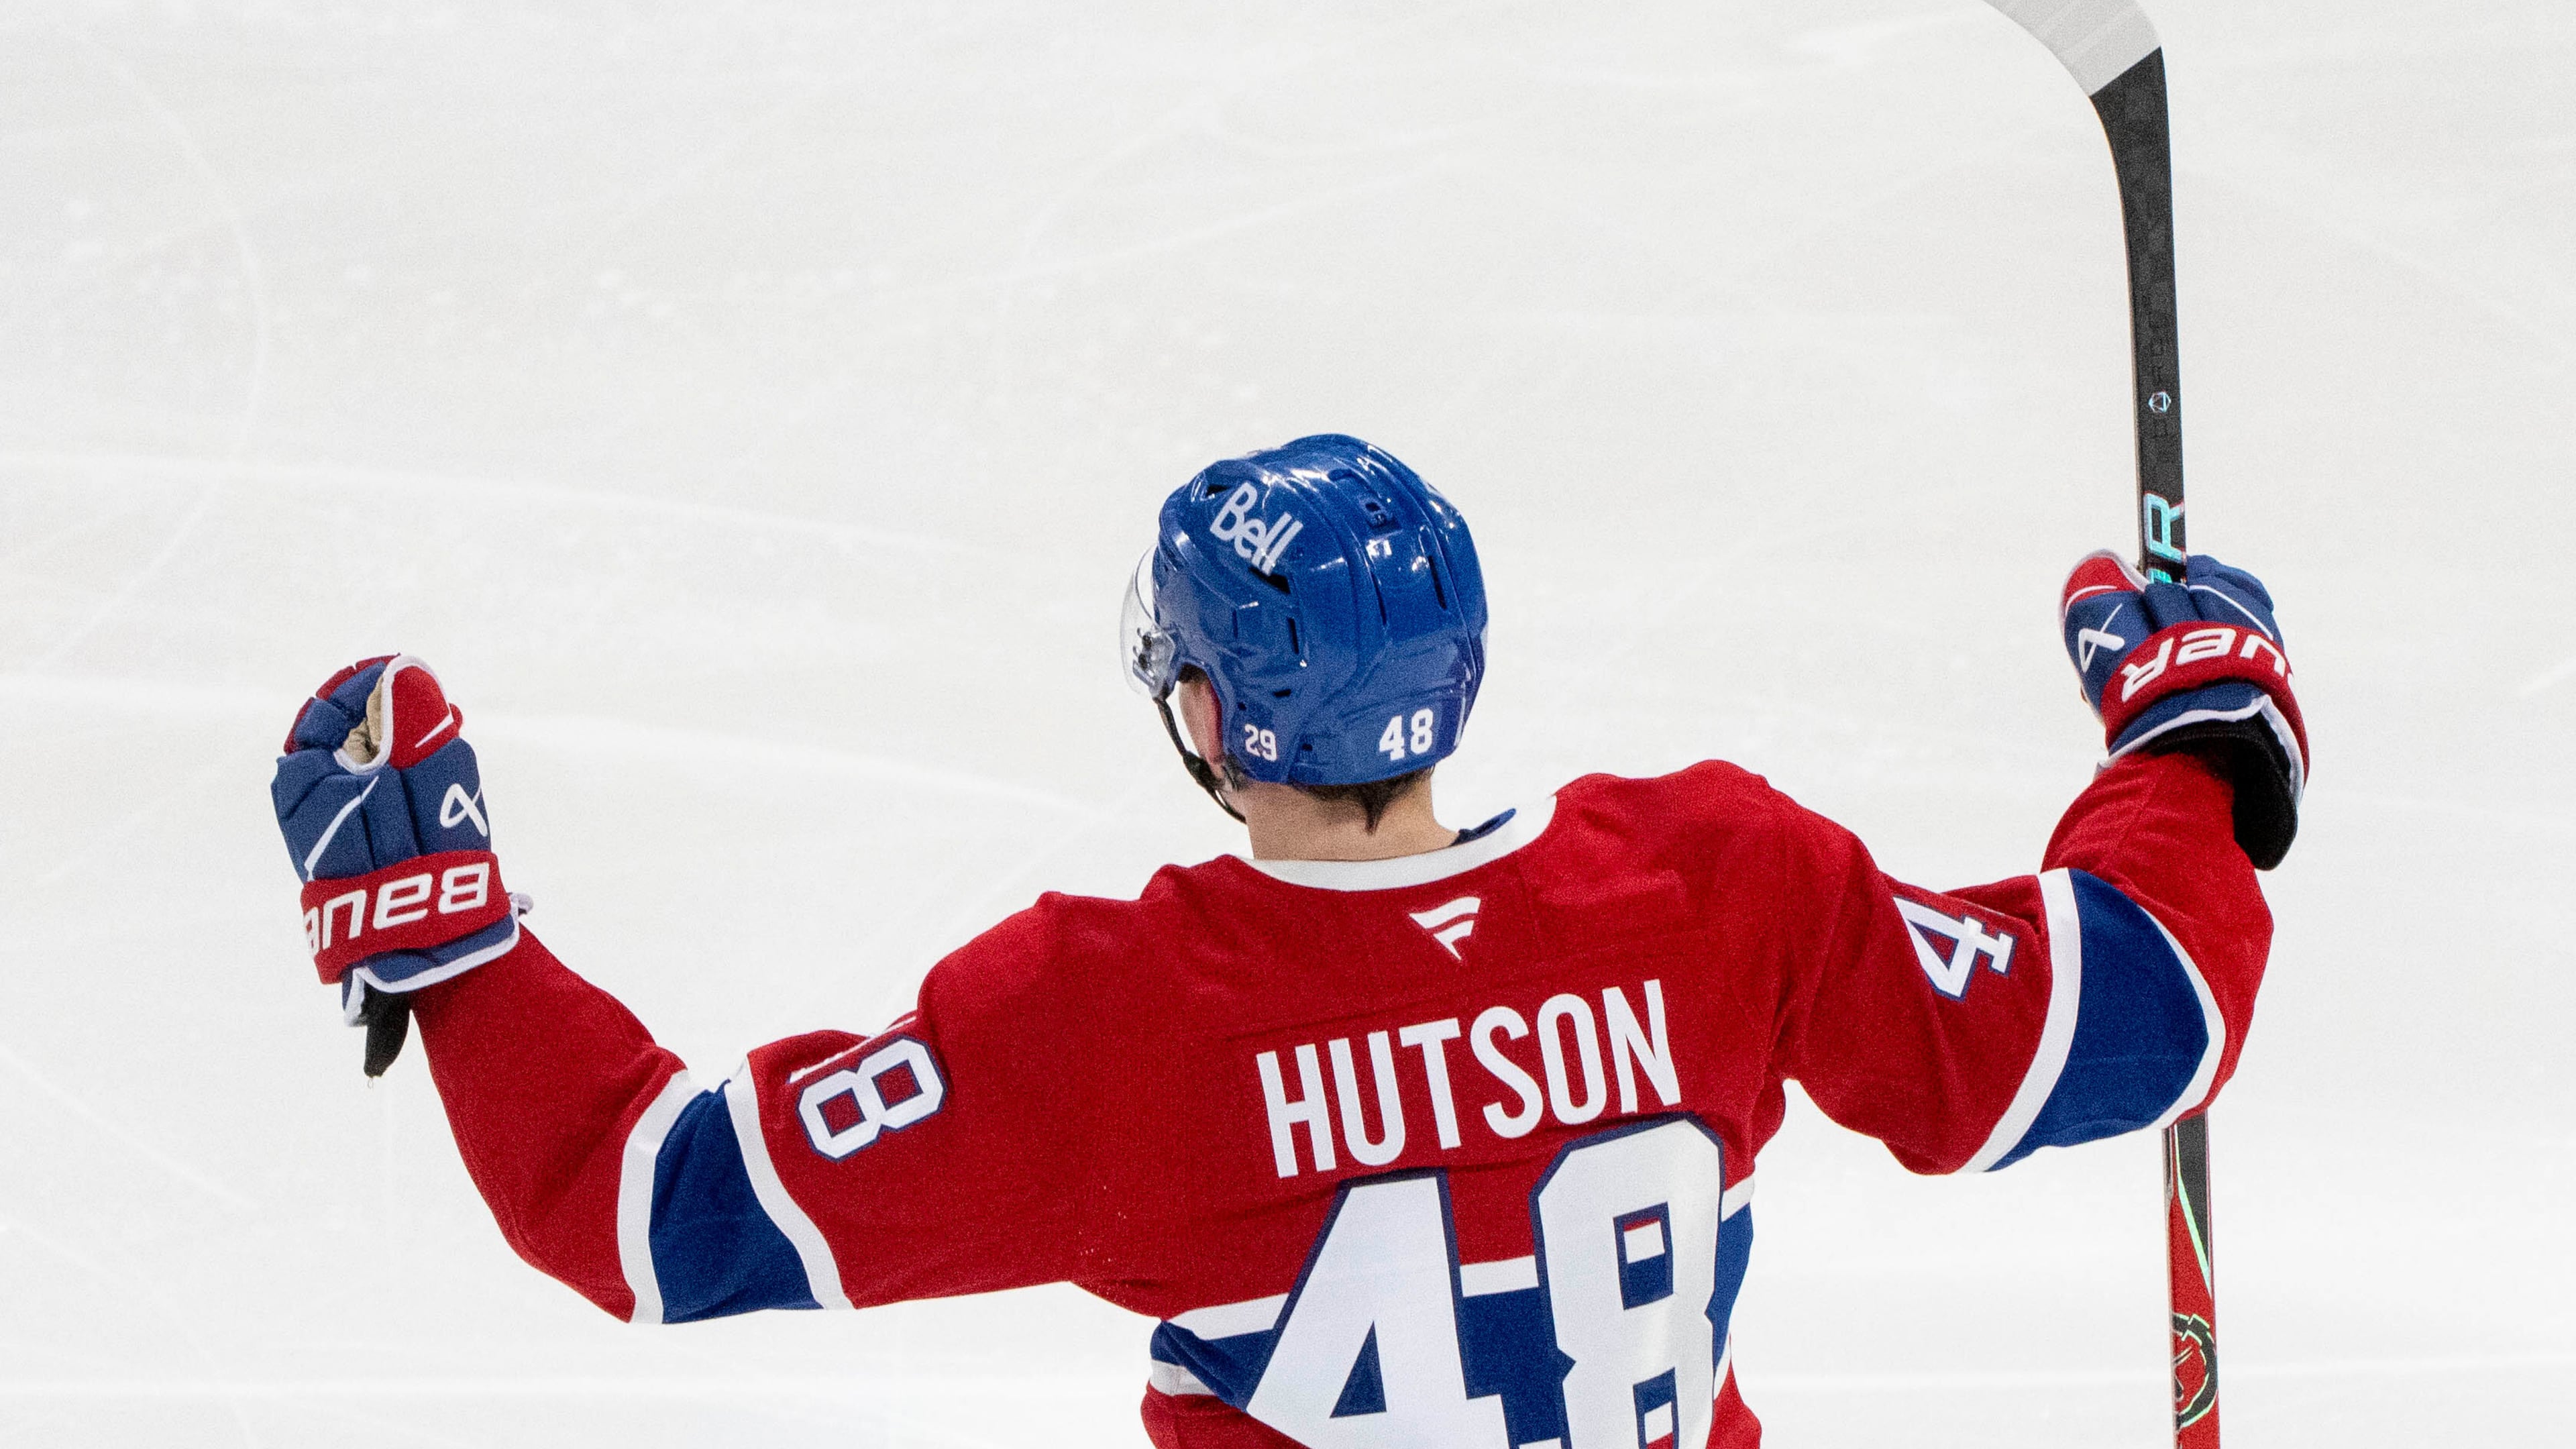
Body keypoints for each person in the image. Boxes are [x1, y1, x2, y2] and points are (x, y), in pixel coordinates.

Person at [268, 434, 2306, 1448]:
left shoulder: (1116, 1024)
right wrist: (2191, 746)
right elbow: (2136, 1002)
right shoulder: (1714, 890)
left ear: (1215, 717)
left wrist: (446, 943)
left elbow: (644, 1212)